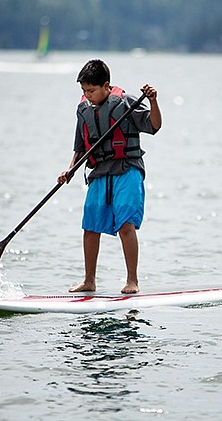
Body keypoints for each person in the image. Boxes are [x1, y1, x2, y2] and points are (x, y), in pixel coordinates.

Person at [57, 59, 162, 294]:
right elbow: (79, 145)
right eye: (84, 90)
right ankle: (89, 280)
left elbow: (154, 126)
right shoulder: (83, 109)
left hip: (127, 169)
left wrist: (153, 102)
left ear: (106, 85)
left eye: (91, 90)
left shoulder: (126, 103)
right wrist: (70, 169)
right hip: (100, 172)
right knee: (90, 227)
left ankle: (132, 280)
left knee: (126, 225)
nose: (88, 95)